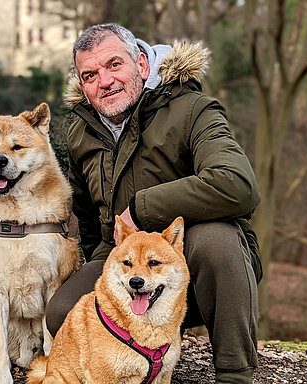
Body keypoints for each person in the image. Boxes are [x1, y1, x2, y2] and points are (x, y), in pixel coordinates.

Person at [45, 23, 262, 384]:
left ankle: (234, 373)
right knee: (63, 313)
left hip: (193, 256)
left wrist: (142, 208)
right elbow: (85, 216)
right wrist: (110, 257)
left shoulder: (192, 108)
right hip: (125, 257)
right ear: (82, 86)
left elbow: (238, 185)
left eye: (115, 65)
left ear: (142, 65)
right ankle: (134, 361)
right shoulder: (80, 130)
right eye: (90, 74)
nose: (105, 80)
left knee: (217, 241)